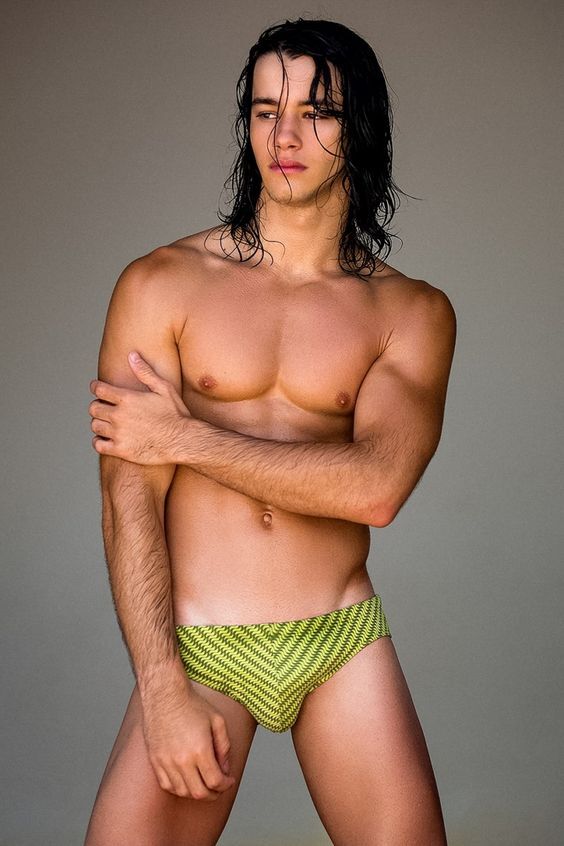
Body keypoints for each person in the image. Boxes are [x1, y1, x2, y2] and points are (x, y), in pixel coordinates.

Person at [84, 17, 456, 846]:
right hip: (198, 645)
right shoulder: (160, 283)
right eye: (264, 111)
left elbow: (376, 489)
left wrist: (187, 438)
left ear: (360, 129)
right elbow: (127, 501)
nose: (283, 136)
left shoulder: (410, 312)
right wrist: (160, 686)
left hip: (338, 634)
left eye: (316, 112)